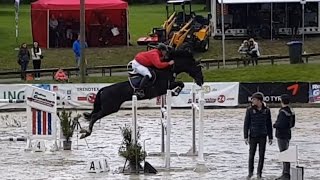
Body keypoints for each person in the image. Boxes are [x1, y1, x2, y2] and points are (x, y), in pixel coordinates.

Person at [243, 92, 273, 179]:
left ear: (259, 100)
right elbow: (246, 124)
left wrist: (270, 137)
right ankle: (250, 173)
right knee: (251, 155)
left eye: (254, 99)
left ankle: (259, 173)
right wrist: (245, 136)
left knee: (262, 155)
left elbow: (269, 124)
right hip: (252, 135)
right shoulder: (249, 110)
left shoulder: (267, 110)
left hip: (263, 135)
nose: (252, 101)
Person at [274, 94, 295, 180]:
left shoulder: (282, 111)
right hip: (288, 134)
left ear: (281, 101)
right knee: (286, 153)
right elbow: (292, 124)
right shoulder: (291, 111)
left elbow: (280, 124)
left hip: (281, 135)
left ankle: (286, 174)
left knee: (284, 154)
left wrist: (275, 125)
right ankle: (285, 172)